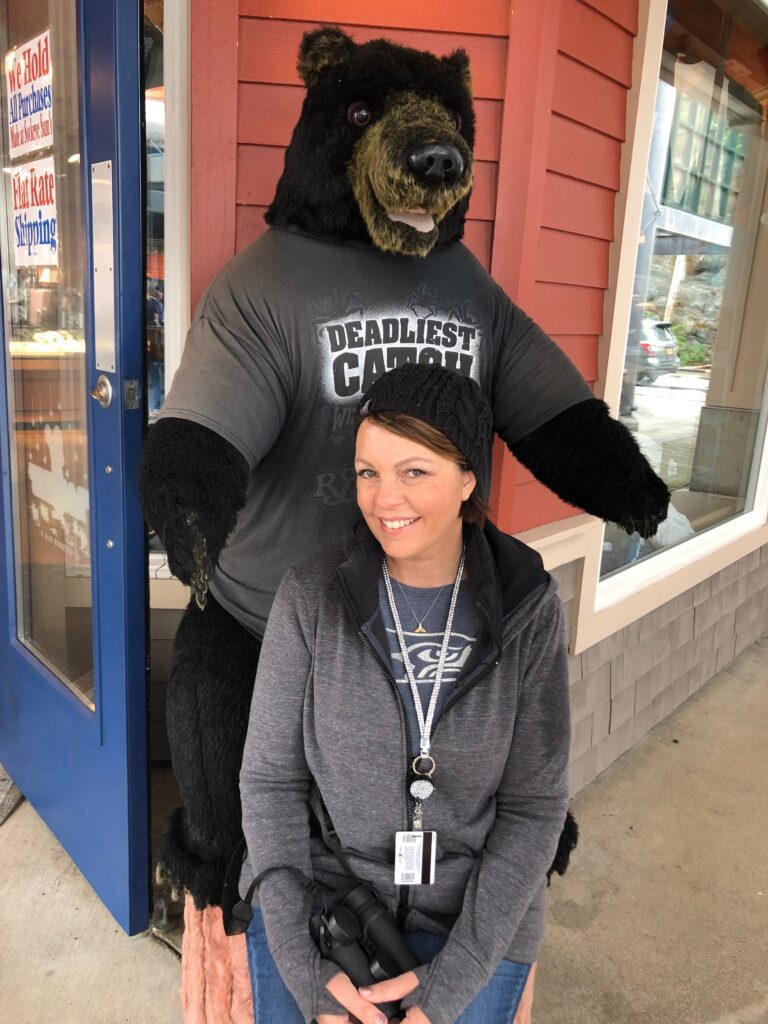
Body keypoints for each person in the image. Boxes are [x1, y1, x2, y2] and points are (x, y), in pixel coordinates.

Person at [238, 363, 571, 1024]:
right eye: (369, 472)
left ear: (469, 477)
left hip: (471, 919)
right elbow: (269, 783)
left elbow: (535, 806)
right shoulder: (312, 595)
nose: (384, 498)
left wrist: (456, 979)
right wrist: (303, 962)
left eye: (414, 471)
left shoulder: (528, 609)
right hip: (326, 906)